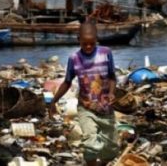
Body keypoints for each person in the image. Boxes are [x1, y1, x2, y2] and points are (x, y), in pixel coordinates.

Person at [49, 22, 119, 166]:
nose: (88, 47)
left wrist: (112, 93)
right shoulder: (74, 59)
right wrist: (54, 101)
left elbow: (112, 76)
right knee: (90, 142)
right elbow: (67, 82)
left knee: (111, 147)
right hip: (86, 107)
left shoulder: (106, 53)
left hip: (106, 107)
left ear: (96, 39)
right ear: (78, 39)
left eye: (91, 43)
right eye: (84, 43)